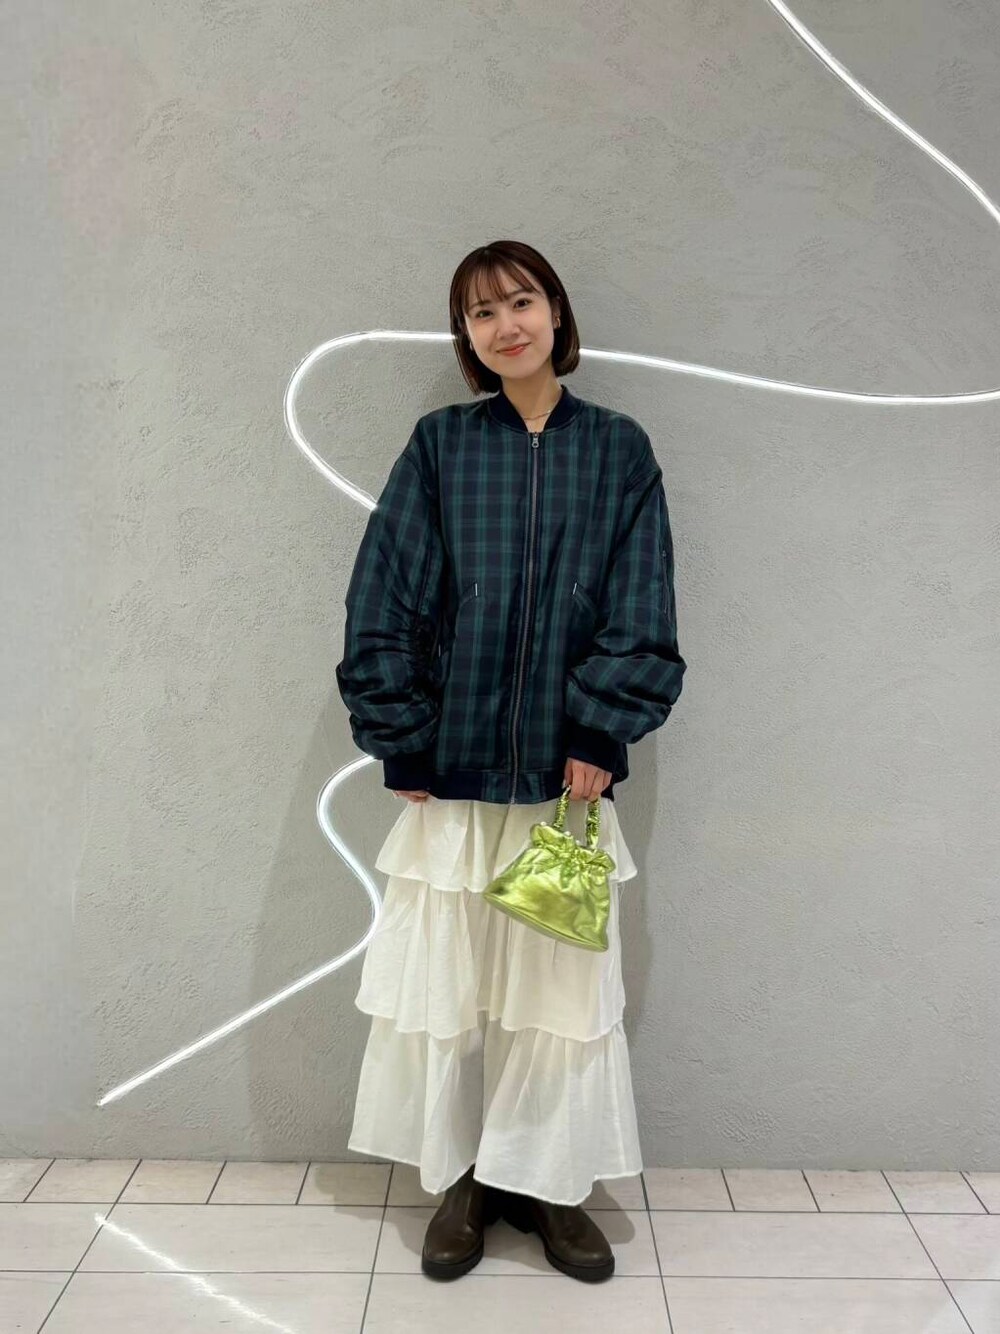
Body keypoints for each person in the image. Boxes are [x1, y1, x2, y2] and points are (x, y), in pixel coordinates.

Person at [334, 239, 685, 1283]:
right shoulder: (442, 445)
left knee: (557, 992)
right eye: (481, 313)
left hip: (563, 782)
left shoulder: (616, 449)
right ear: (468, 337)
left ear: (555, 312)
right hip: (452, 769)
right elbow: (386, 591)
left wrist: (600, 729)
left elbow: (641, 598)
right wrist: (399, 730)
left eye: (520, 301)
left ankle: (548, 1182)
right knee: (452, 991)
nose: (505, 326)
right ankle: (463, 1181)